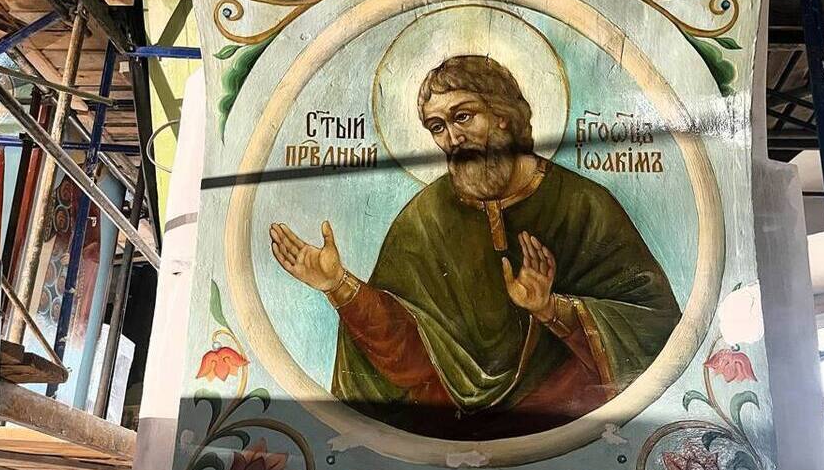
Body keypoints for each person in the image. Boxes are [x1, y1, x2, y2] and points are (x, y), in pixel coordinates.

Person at [270, 55, 680, 439]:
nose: (452, 137)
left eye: (462, 116)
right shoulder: (423, 219)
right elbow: (406, 350)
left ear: (502, 115)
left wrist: (550, 309)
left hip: (557, 423)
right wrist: (338, 285)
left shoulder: (584, 205)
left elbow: (655, 329)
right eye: (437, 127)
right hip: (450, 429)